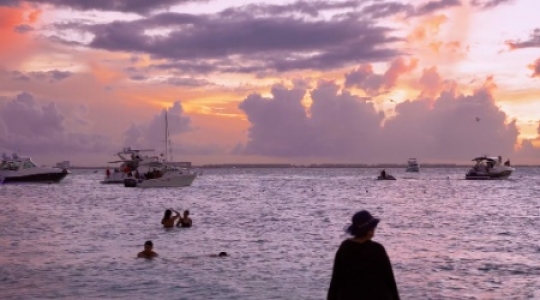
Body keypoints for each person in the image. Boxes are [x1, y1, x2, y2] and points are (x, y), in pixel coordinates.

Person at [327, 210, 400, 300]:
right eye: (373, 227)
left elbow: (336, 280)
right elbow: (389, 280)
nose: (374, 229)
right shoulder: (377, 249)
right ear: (368, 230)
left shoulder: (345, 248)